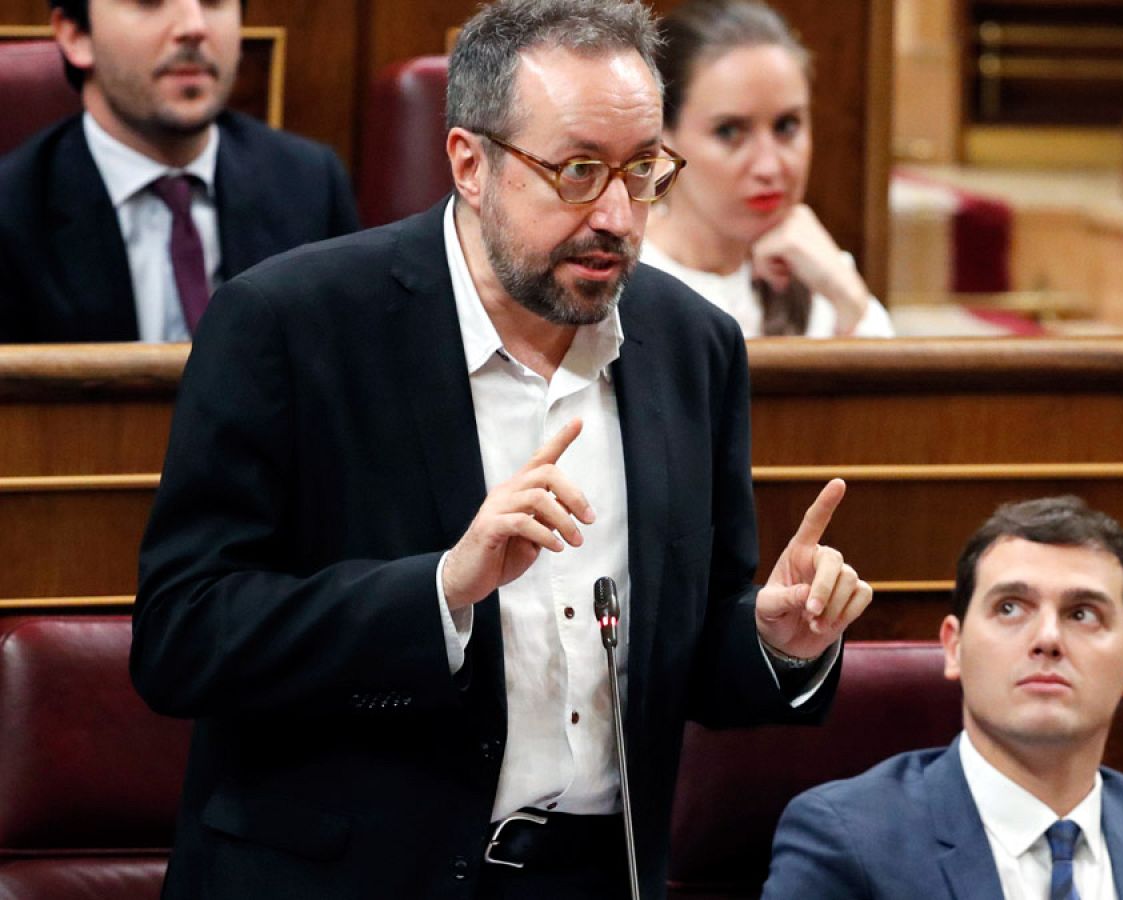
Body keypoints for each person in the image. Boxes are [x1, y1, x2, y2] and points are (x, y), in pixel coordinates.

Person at [130, 1, 872, 898]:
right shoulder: (291, 325)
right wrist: (442, 590)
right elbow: (183, 637)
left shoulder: (693, 347)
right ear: (469, 163)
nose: (617, 216)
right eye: (577, 171)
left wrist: (772, 640)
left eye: (642, 172)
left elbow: (688, 657)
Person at [763, 496, 1123, 899]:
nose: (1047, 638)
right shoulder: (851, 843)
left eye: (1083, 614)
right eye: (1010, 607)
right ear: (953, 647)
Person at [0, 0, 359, 343]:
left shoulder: (311, 184)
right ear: (76, 35)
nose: (194, 27)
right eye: (149, 2)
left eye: (214, 0)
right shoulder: (12, 211)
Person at [639, 0, 892, 338]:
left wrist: (848, 297)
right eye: (729, 132)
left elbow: (897, 386)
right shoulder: (626, 278)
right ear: (663, 136)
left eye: (787, 126)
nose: (769, 166)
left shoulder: (817, 267)